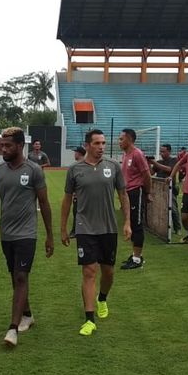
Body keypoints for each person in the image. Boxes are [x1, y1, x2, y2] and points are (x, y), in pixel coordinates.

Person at [0, 127, 53, 347]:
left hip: (27, 233)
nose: (3, 149)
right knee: (15, 277)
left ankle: (12, 329)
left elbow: (44, 202)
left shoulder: (34, 170)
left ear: (21, 146)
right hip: (7, 233)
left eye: (8, 145)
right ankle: (28, 315)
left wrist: (50, 235)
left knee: (21, 276)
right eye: (2, 145)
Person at [60, 129, 131, 336]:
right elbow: (66, 200)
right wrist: (63, 228)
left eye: (103, 143)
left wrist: (127, 222)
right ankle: (89, 319)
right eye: (97, 143)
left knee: (108, 272)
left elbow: (123, 195)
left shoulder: (113, 167)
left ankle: (102, 299)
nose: (101, 147)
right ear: (88, 145)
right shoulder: (74, 170)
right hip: (85, 228)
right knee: (89, 271)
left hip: (108, 228)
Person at [118, 128, 152, 270]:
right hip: (127, 193)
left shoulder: (137, 154)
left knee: (136, 225)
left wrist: (147, 192)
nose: (119, 141)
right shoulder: (125, 155)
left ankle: (137, 259)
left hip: (135, 192)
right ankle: (134, 255)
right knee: (131, 223)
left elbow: (147, 175)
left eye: (121, 139)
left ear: (130, 139)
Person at [149, 143, 181, 234]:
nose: (161, 153)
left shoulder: (174, 160)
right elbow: (151, 173)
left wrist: (154, 163)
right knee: (160, 208)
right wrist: (148, 164)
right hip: (160, 189)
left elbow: (169, 169)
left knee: (173, 209)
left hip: (171, 189)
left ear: (169, 151)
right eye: (160, 152)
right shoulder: (159, 162)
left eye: (163, 151)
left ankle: (177, 228)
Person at [69, 146, 86, 237]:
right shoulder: (84, 164)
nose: (74, 154)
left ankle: (75, 231)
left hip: (80, 195)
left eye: (75, 152)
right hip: (82, 195)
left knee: (77, 213)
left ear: (79, 153)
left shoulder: (77, 166)